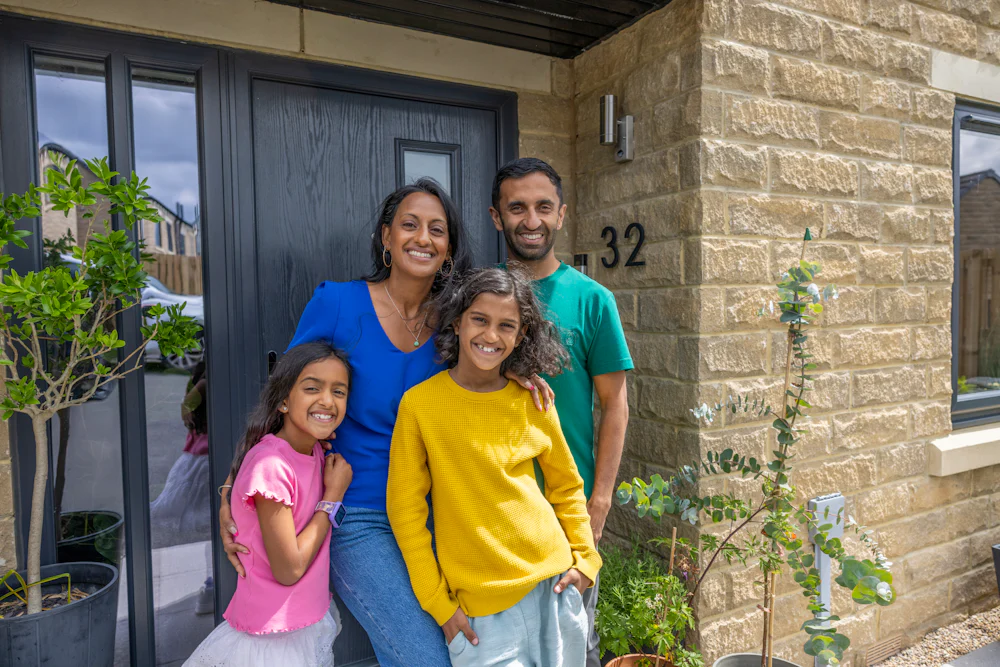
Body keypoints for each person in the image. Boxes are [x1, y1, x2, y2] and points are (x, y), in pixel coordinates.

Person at [218, 179, 554, 667]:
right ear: (386, 237)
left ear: (449, 249)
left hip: (442, 511)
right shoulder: (338, 303)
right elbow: (284, 396)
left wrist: (520, 371)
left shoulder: (456, 322)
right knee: (425, 656)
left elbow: (485, 364)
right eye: (409, 225)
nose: (423, 238)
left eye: (437, 230)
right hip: (361, 514)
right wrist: (234, 483)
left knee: (470, 649)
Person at [387, 266, 602, 666]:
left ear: (520, 336)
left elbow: (566, 487)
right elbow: (405, 512)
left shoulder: (533, 400)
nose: (490, 336)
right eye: (479, 320)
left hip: (554, 585)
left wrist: (586, 558)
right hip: (479, 610)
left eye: (506, 326)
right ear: (457, 321)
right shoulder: (420, 406)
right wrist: (439, 604)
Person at [490, 158, 633, 667]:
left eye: (543, 207)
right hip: (489, 509)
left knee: (574, 644)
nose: (531, 220)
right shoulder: (478, 299)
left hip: (564, 509)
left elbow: (615, 406)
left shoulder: (592, 300)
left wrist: (599, 503)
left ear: (562, 214)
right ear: (496, 217)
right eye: (517, 207)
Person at [185, 341, 354, 666]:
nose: (327, 400)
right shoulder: (272, 466)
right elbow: (288, 570)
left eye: (339, 391)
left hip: (301, 622)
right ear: (283, 402)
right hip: (272, 642)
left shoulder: (311, 449)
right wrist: (332, 499)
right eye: (312, 388)